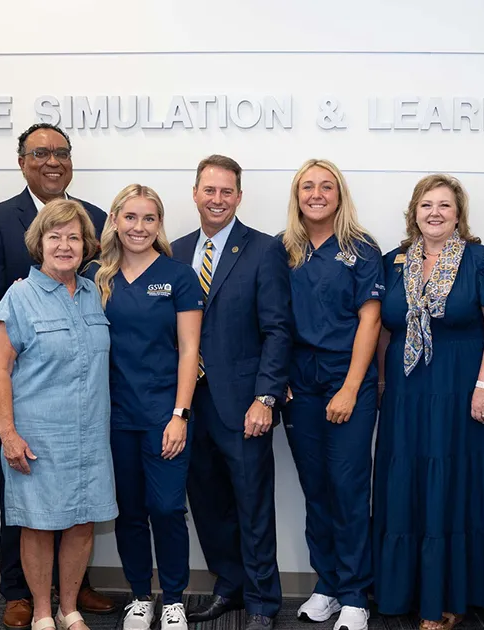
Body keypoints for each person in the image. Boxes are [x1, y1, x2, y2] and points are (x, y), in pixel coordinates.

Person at [0, 122, 114, 627]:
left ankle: (71, 599)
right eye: (40, 153)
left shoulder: (96, 252)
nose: (66, 244)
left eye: (73, 238)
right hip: (32, 417)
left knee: (79, 514)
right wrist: (4, 425)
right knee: (31, 516)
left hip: (87, 422)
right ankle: (23, 596)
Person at [374, 174, 484, 630]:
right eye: (426, 205)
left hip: (464, 390)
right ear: (413, 212)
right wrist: (382, 386)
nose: (434, 212)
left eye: (444, 205)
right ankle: (410, 589)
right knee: (410, 483)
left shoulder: (482, 261)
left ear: (459, 214)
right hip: (408, 394)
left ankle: (453, 597)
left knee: (457, 484)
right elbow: (386, 329)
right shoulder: (393, 263)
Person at [171, 155, 293, 630]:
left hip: (244, 403)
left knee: (252, 505)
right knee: (207, 502)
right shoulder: (176, 251)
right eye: (209, 190)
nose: (217, 199)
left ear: (239, 197)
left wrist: (265, 398)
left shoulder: (264, 250)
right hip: (187, 404)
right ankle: (230, 586)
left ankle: (263, 601)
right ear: (195, 193)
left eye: (227, 192)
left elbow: (279, 330)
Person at [91, 185, 203, 630]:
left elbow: (189, 351)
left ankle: (173, 597)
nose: (139, 227)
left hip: (164, 413)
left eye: (149, 219)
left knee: (167, 507)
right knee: (130, 509)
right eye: (131, 217)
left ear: (159, 225)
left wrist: (180, 415)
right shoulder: (94, 275)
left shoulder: (178, 276)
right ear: (116, 220)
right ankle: (140, 596)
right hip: (113, 415)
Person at [280, 159, 383, 630]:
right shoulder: (283, 249)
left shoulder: (360, 248)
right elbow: (272, 321)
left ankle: (355, 592)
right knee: (315, 487)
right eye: (308, 186)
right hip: (299, 382)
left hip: (347, 378)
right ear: (297, 195)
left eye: (326, 186)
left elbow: (370, 320)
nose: (317, 194)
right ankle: (326, 586)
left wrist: (350, 387)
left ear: (339, 195)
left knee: (347, 486)